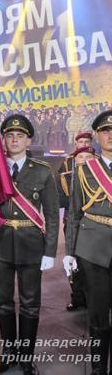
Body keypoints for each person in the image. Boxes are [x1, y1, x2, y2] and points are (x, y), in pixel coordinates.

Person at [0, 114, 59, 375]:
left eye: (19, 135)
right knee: (3, 302)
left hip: (32, 244)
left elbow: (53, 215)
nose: (14, 140)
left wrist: (50, 251)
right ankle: (9, 351)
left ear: (28, 139)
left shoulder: (41, 170)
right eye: (10, 135)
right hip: (0, 243)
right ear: (4, 139)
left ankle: (26, 355)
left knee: (30, 302)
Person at [64, 110, 112, 375]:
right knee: (97, 311)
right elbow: (73, 213)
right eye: (106, 130)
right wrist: (69, 251)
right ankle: (98, 366)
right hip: (92, 249)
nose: (111, 135)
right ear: (96, 136)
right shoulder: (84, 170)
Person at [58, 132, 93, 312]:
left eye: (87, 142)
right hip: (72, 219)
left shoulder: (100, 168)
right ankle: (77, 297)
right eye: (81, 142)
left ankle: (95, 298)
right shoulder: (66, 165)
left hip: (94, 223)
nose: (84, 144)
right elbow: (60, 194)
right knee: (74, 260)